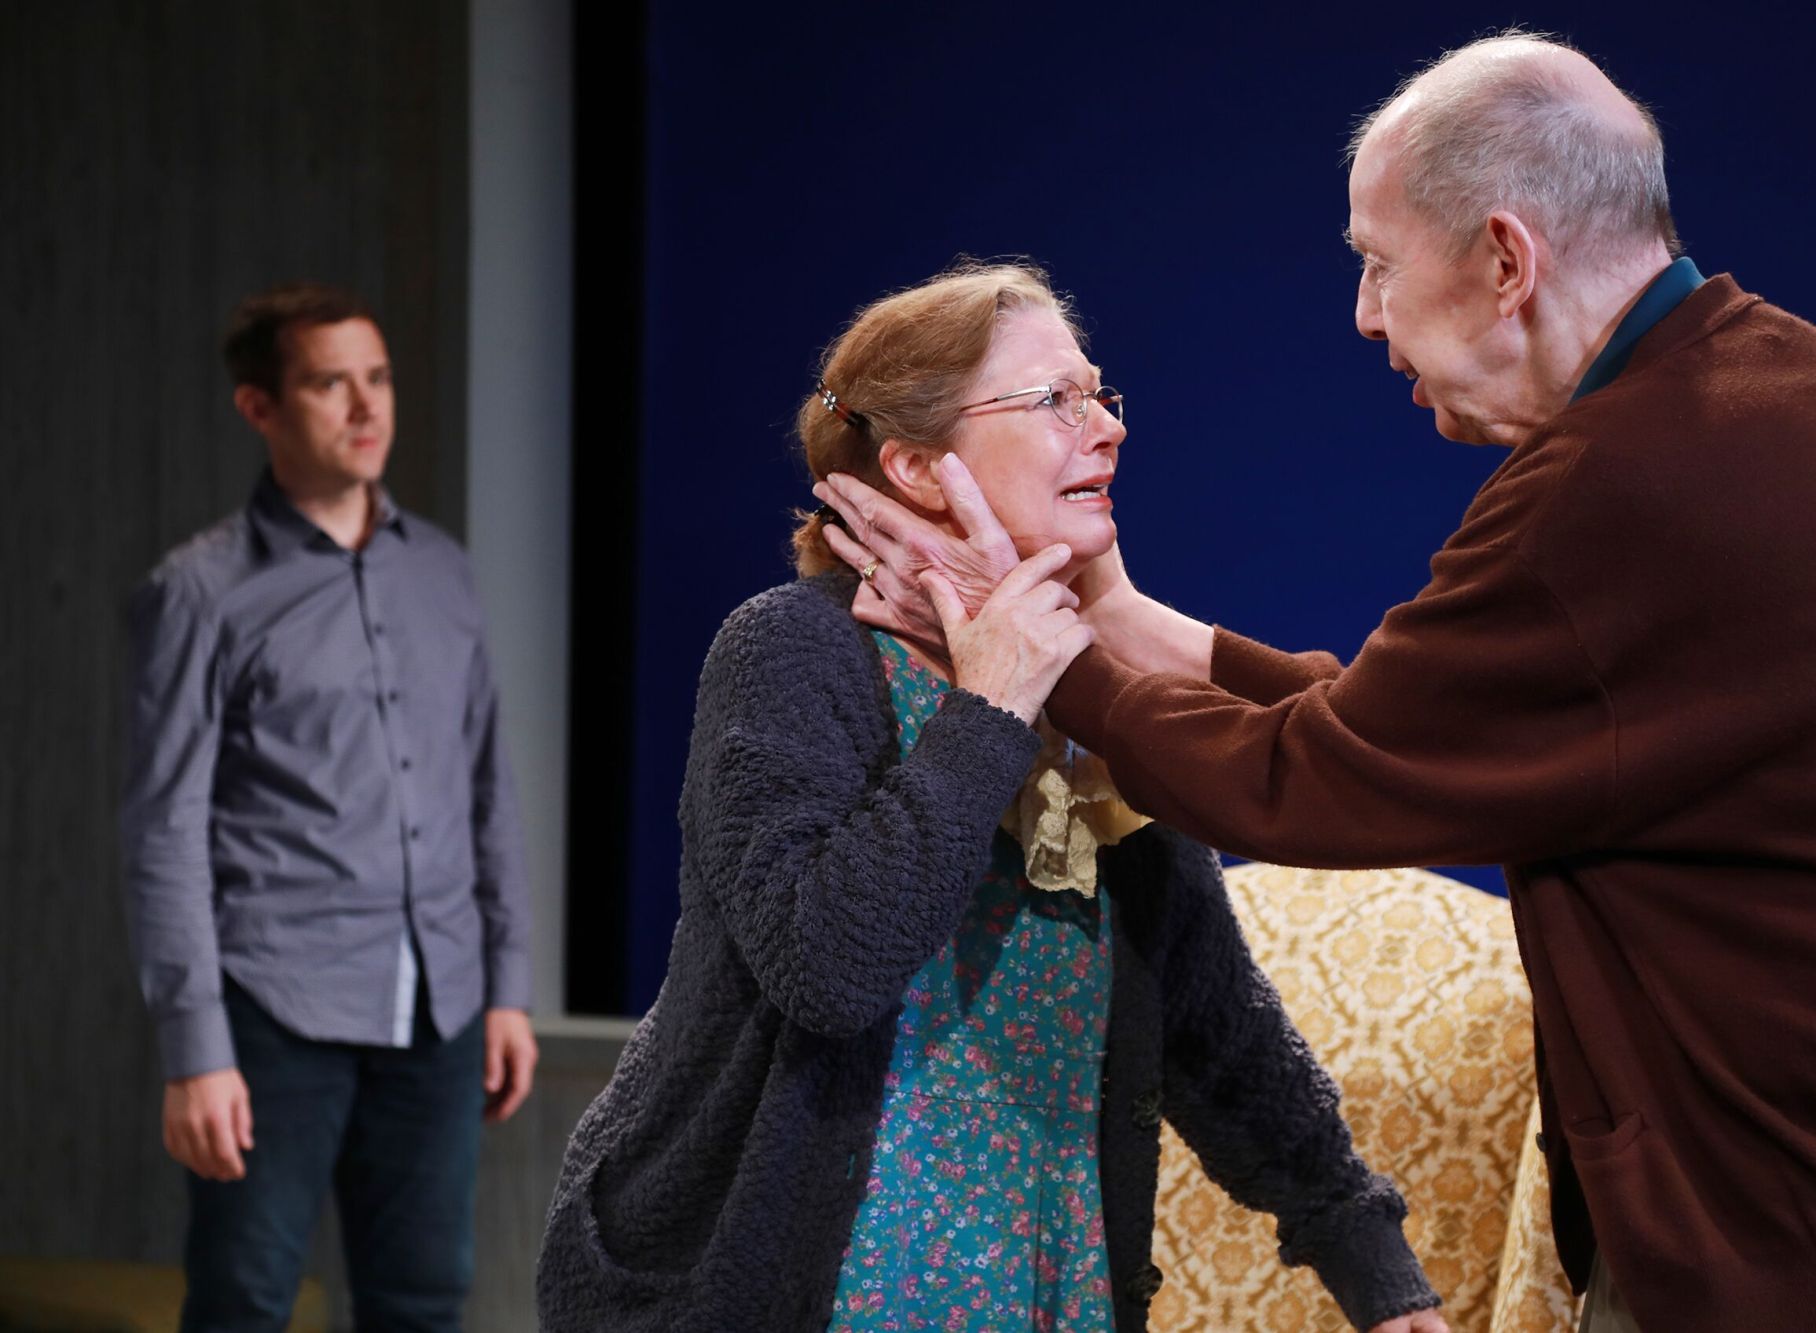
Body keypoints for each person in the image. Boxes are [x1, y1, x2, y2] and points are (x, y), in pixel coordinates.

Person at [810, 35, 1816, 1333]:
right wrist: (1116, 619)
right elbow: (1400, 718)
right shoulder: (1799, 389)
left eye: (1377, 262)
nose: (1367, 315)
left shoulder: (1622, 487)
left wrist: (1042, 654)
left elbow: (1319, 777)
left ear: (1503, 258)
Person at [535, 261, 1447, 1333]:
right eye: (1054, 401)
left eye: (1100, 395)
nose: (1104, 429)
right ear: (918, 467)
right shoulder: (793, 649)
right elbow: (826, 966)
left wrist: (1375, 1273)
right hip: (785, 1292)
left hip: (1034, 1288)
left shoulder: (1094, 702)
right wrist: (993, 701)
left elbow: (1214, 1021)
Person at [120, 282, 538, 1331]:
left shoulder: (442, 572)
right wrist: (194, 1049)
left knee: (423, 1301)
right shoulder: (198, 592)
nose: (366, 407)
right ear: (259, 408)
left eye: (379, 378)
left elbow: (485, 785)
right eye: (327, 383)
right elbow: (162, 830)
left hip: (439, 1006)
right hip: (274, 1009)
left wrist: (505, 983)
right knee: (243, 1301)